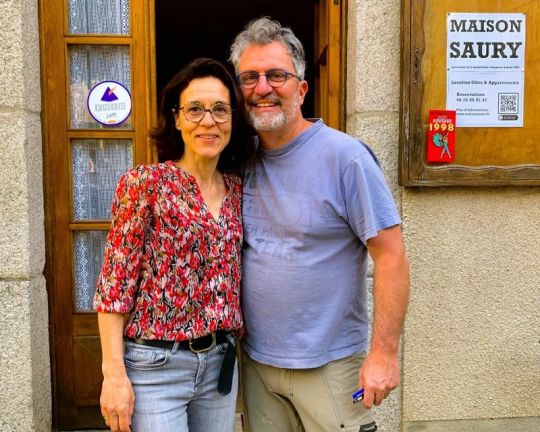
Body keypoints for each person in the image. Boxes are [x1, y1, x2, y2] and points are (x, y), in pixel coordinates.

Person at [229, 17, 410, 432]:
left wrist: (384, 354)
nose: (262, 88)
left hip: (331, 365)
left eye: (277, 75)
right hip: (256, 362)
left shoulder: (346, 158)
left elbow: (391, 256)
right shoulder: (239, 159)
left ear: (302, 89)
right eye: (250, 78)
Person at [93, 58, 252, 432]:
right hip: (155, 368)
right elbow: (114, 287)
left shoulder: (238, 189)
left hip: (219, 365)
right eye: (195, 109)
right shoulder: (145, 184)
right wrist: (113, 375)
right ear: (177, 118)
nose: (208, 121)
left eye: (220, 109)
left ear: (232, 119)